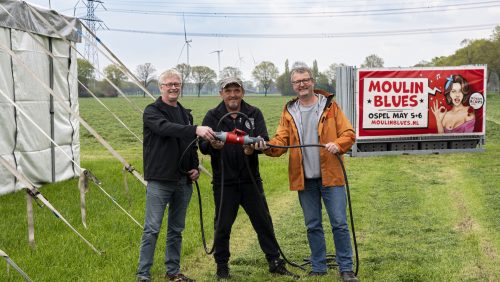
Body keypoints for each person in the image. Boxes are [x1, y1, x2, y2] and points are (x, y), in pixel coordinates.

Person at [255, 63, 358, 282]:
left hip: (331, 176)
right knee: (313, 225)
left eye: (305, 80)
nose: (302, 84)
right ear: (293, 85)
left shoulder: (330, 106)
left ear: (312, 81)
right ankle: (319, 266)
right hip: (305, 179)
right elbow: (281, 141)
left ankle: (346, 268)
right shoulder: (289, 110)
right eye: (297, 81)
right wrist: (266, 146)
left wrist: (338, 145)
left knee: (339, 223)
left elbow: (348, 133)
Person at [199, 77, 298, 280]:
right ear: (221, 94)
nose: (233, 94)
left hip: (250, 179)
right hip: (224, 181)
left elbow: (263, 139)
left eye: (236, 90)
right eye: (228, 91)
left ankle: (275, 261)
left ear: (242, 92)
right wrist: (213, 146)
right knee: (222, 225)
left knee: (263, 222)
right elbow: (202, 146)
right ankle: (222, 267)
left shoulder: (253, 113)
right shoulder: (213, 115)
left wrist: (253, 149)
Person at [137, 69, 215, 282]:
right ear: (160, 87)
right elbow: (165, 129)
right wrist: (195, 129)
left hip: (183, 180)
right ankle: (143, 274)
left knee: (176, 229)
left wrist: (194, 167)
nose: (173, 87)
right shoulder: (152, 111)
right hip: (160, 180)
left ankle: (173, 272)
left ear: (181, 86)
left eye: (177, 84)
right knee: (152, 228)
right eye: (169, 84)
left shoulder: (185, 113)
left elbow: (188, 144)